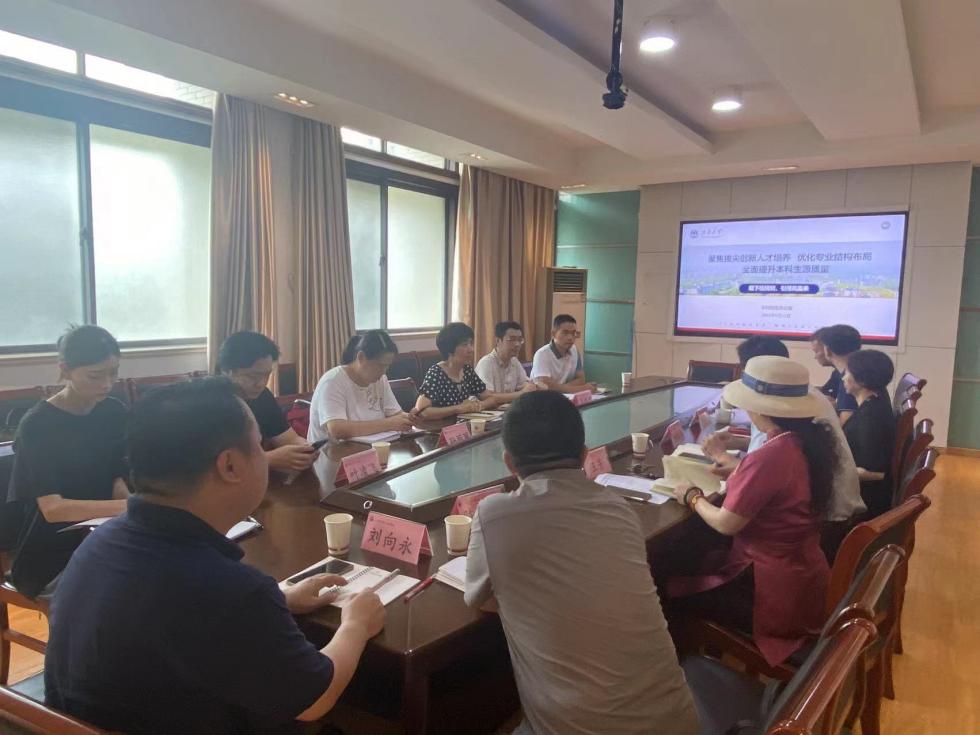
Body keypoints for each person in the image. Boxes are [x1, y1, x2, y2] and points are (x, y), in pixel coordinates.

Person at [44, 378, 385, 734]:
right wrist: (356, 625)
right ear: (230, 466)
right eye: (258, 446)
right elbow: (314, 700)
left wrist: (279, 599)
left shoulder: (98, 544)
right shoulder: (231, 590)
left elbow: (176, 617)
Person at [465, 391, 699, 734]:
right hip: (678, 722)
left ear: (509, 463)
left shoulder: (494, 515)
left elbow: (477, 598)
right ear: (584, 455)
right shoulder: (619, 509)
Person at [668, 356, 838, 667]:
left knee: (667, 585)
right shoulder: (807, 440)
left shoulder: (772, 454)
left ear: (761, 409)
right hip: (803, 578)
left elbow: (726, 523)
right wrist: (740, 472)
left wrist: (691, 496)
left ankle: (694, 672)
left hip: (768, 592)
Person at [6, 325, 129, 598]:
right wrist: (131, 507)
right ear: (65, 369)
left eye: (113, 373)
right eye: (95, 375)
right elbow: (53, 509)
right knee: (120, 595)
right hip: (51, 551)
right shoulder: (38, 425)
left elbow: (116, 478)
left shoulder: (113, 411)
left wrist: (131, 508)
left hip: (103, 536)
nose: (107, 384)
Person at [703, 336, 865, 540]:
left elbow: (762, 470)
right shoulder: (801, 399)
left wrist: (720, 458)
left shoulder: (774, 413)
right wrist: (739, 443)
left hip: (824, 524)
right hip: (828, 514)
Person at [218, 331, 318, 472]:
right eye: (252, 376)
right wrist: (269, 459)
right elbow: (209, 466)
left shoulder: (263, 396)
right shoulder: (209, 402)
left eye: (267, 375)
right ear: (227, 371)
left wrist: (306, 449)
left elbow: (288, 439)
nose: (261, 384)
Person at [308, 330, 417, 442]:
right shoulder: (332, 381)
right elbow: (337, 429)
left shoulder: (380, 379)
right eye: (380, 366)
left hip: (368, 448)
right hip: (331, 451)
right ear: (361, 357)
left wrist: (410, 418)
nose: (383, 372)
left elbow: (396, 414)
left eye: (387, 366)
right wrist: (389, 424)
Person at [842, 349, 897, 518]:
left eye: (847, 373)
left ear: (862, 380)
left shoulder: (870, 418)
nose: (843, 378)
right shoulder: (875, 403)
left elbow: (874, 473)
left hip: (864, 504)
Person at [414, 322, 500, 419]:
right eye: (464, 345)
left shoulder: (467, 370)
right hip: (440, 426)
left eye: (471, 344)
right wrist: (457, 409)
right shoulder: (436, 373)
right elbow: (422, 411)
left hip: (462, 425)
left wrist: (478, 405)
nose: (471, 350)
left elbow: (491, 398)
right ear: (449, 348)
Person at [474, 321, 539, 402]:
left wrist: (534, 386)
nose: (517, 344)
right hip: (487, 409)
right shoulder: (486, 363)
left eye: (520, 340)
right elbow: (486, 396)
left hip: (506, 408)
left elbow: (523, 384)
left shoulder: (514, 362)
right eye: (511, 339)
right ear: (498, 341)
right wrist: (521, 393)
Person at [530, 314, 596, 393]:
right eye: (565, 333)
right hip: (541, 397)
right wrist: (582, 389)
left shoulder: (574, 350)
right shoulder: (542, 354)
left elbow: (581, 379)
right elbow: (545, 385)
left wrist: (561, 388)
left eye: (573, 333)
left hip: (563, 396)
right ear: (553, 334)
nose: (570, 337)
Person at [811, 324, 861, 423]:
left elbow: (845, 426)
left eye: (816, 351)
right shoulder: (857, 372)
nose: (815, 357)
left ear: (827, 350)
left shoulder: (850, 380)